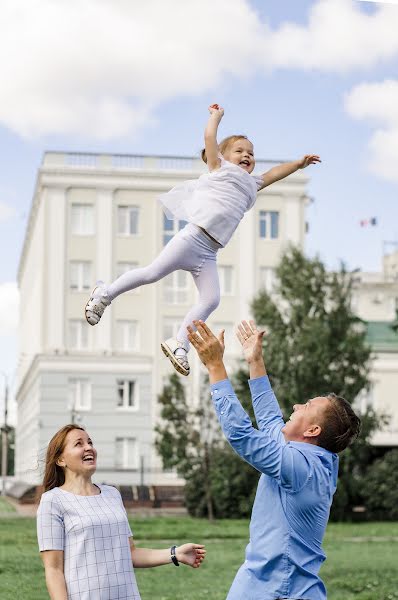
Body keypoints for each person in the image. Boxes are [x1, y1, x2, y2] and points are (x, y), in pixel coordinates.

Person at [85, 104, 320, 377]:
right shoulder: (219, 168)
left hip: (209, 253)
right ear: (223, 155)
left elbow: (273, 174)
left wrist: (298, 164)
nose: (247, 156)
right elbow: (209, 138)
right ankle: (105, 293)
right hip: (191, 239)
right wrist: (215, 117)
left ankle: (179, 342)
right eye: (240, 151)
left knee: (211, 299)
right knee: (151, 273)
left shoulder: (252, 184)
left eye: (251, 153)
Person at [187, 319, 361, 600]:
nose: (295, 406)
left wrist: (215, 366)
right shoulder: (307, 457)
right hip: (267, 584)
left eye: (306, 406)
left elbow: (243, 437)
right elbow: (269, 422)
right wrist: (255, 361)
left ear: (312, 430)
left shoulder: (303, 467)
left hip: (281, 590)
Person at [37, 424, 205, 600]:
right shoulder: (53, 501)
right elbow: (53, 569)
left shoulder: (112, 494)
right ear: (61, 460)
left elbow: (130, 553)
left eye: (90, 442)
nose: (89, 448)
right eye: (79, 444)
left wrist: (175, 553)